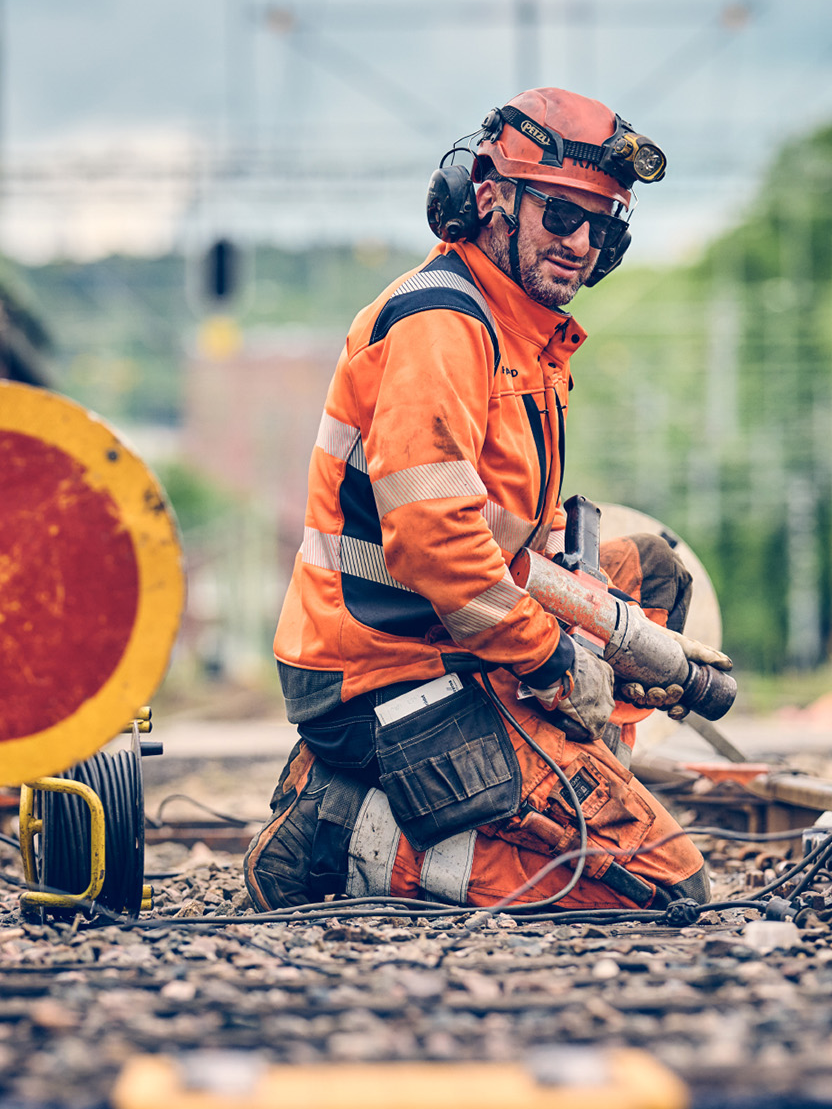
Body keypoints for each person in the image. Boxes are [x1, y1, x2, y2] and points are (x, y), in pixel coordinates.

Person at [245, 88, 728, 915]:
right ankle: (337, 828)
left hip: (444, 631)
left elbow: (499, 538)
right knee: (661, 885)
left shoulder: (522, 332)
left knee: (649, 573)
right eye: (562, 216)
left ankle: (566, 768)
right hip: (380, 668)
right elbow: (437, 546)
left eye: (602, 226)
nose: (581, 244)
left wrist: (624, 633)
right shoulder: (444, 327)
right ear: (491, 199)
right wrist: (554, 658)